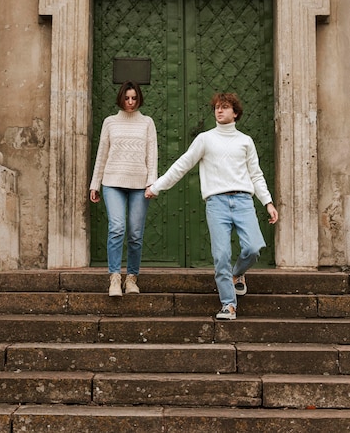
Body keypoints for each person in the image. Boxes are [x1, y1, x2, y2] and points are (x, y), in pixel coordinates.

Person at [145, 92, 278, 320]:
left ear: (235, 113)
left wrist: (267, 202)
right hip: (216, 203)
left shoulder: (245, 141)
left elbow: (256, 175)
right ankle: (228, 304)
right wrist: (157, 186)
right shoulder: (205, 139)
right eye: (217, 107)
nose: (219, 110)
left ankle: (237, 275)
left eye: (225, 107)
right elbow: (182, 164)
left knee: (254, 248)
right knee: (221, 254)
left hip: (244, 201)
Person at [90, 80, 158, 297]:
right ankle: (114, 278)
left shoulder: (147, 122)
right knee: (117, 228)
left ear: (139, 99)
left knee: (136, 234)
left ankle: (131, 278)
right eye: (127, 98)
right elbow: (102, 153)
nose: (130, 102)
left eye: (134, 98)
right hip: (112, 182)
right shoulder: (110, 122)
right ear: (121, 98)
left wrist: (152, 182)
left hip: (140, 184)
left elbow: (152, 154)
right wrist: (95, 184)